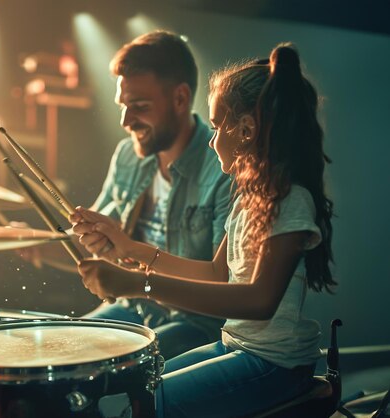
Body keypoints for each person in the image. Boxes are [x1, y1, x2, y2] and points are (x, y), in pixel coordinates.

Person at [72, 42, 336, 417]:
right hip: (237, 345)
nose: (211, 141)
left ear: (245, 129)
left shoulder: (291, 201)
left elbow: (260, 301)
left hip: (276, 364)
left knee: (145, 404)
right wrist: (131, 249)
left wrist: (139, 285)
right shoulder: (249, 196)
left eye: (215, 127)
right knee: (134, 389)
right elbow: (217, 273)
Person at [47, 30, 231, 359]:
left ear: (180, 98)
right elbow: (95, 236)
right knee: (61, 349)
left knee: (122, 370)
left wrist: (131, 259)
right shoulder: (128, 156)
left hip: (196, 322)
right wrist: (38, 242)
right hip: (135, 306)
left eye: (140, 106)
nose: (126, 120)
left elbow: (223, 284)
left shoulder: (221, 169)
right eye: (123, 105)